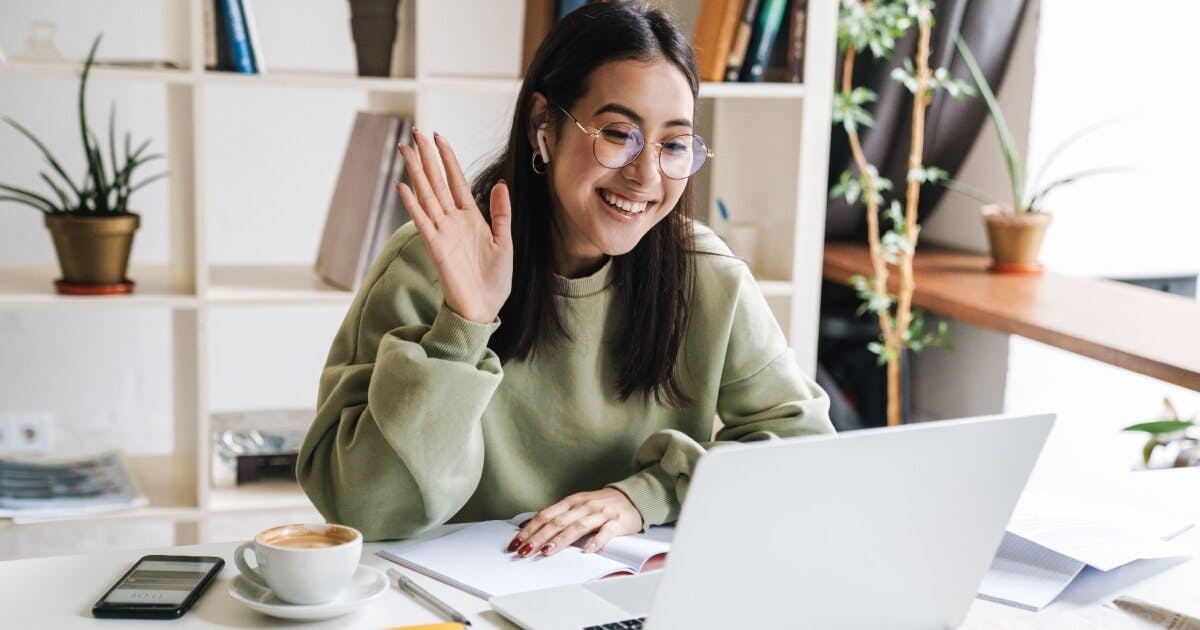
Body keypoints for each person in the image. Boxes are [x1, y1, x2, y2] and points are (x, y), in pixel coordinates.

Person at [297, 2, 833, 557]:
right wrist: (464, 325)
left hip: (633, 591)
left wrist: (648, 496)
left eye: (673, 144)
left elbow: (805, 453)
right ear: (543, 126)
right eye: (617, 133)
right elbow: (363, 509)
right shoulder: (428, 263)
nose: (646, 175)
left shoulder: (706, 274)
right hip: (461, 601)